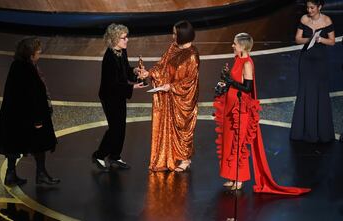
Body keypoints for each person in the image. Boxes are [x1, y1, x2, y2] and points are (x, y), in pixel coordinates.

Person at [213, 33, 310, 195]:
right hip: (231, 107)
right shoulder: (237, 59)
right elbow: (234, 82)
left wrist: (231, 82)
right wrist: (225, 81)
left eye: (234, 44)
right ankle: (231, 176)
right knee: (229, 142)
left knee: (238, 144)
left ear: (242, 46)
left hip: (241, 109)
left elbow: (247, 88)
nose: (232, 46)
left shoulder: (247, 64)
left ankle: (239, 178)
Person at [0, 37, 60, 186]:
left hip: (14, 116)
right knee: (40, 144)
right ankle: (41, 174)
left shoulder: (17, 66)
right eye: (38, 52)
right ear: (30, 54)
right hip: (28, 117)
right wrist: (38, 119)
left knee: (13, 144)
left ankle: (11, 175)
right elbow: (32, 96)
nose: (39, 54)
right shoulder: (26, 69)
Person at [140, 20, 199, 172]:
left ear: (183, 34)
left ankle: (186, 159)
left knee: (182, 128)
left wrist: (171, 86)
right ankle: (169, 157)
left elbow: (190, 81)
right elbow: (162, 65)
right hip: (169, 96)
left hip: (183, 98)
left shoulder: (192, 55)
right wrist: (149, 73)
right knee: (169, 128)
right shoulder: (173, 48)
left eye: (175, 33)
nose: (173, 36)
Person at [92, 23, 146, 171]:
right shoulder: (109, 57)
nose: (127, 40)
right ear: (115, 40)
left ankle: (115, 156)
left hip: (119, 94)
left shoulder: (122, 52)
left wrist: (134, 71)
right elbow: (112, 84)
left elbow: (125, 70)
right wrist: (132, 86)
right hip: (110, 96)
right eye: (124, 38)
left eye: (126, 37)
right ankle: (99, 155)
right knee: (115, 128)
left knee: (121, 128)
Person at [290, 0, 335, 143]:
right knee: (305, 92)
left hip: (320, 61)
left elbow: (332, 41)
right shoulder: (304, 18)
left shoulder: (327, 20)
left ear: (319, 7)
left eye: (312, 7)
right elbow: (297, 39)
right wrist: (310, 39)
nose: (309, 10)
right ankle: (303, 131)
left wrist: (320, 39)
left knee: (320, 92)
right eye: (308, 7)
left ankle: (322, 132)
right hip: (306, 60)